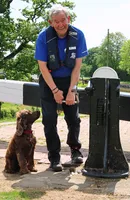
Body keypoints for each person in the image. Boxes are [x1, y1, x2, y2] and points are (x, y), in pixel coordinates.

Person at [34, 4, 88, 172]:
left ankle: (75, 152)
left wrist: (72, 90)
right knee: (49, 121)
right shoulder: (43, 37)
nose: (60, 24)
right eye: (56, 21)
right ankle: (54, 158)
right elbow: (42, 68)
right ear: (51, 23)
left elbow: (77, 68)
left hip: (69, 80)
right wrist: (55, 91)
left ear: (68, 19)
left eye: (63, 20)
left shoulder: (78, 36)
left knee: (73, 118)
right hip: (49, 81)